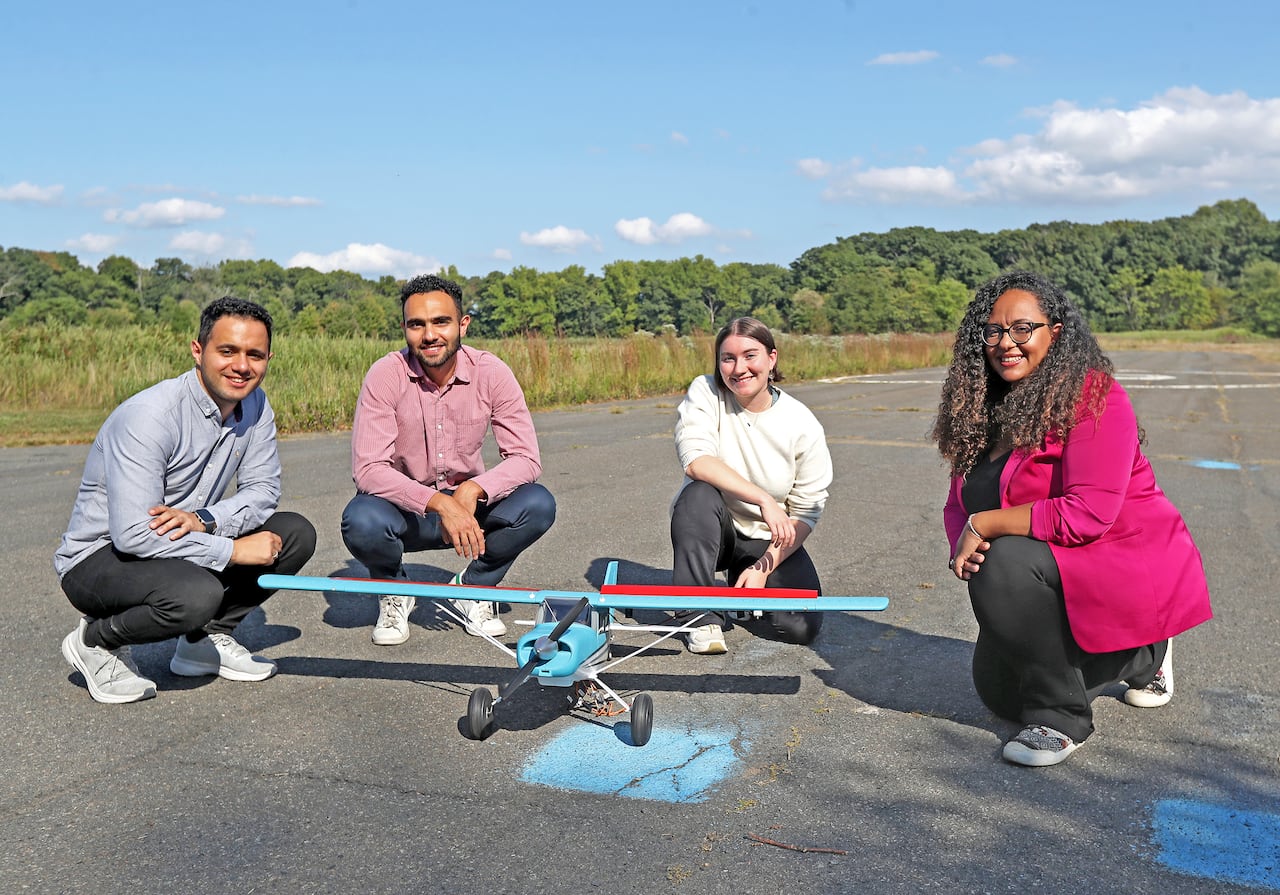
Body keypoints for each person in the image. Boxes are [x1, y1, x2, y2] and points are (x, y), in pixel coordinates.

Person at [932, 270, 1212, 767]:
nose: (1006, 342)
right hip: (1048, 563)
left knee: (1006, 561)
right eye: (993, 331)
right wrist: (965, 544)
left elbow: (1088, 514)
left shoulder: (1094, 396)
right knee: (999, 695)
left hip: (1117, 558)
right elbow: (961, 502)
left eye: (1023, 328)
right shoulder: (979, 406)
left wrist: (986, 528)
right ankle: (1127, 658)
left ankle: (1068, 714)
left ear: (1054, 333)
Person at [54, 297, 317, 704]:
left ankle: (202, 642)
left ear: (269, 358)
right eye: (227, 351)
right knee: (196, 595)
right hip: (99, 558)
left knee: (294, 533)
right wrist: (233, 550)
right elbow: (134, 537)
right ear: (198, 350)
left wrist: (205, 520)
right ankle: (95, 641)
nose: (242, 366)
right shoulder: (149, 416)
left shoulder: (256, 405)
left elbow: (263, 491)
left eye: (255, 354)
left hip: (175, 543)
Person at [341, 273, 556, 645]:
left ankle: (474, 588)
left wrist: (473, 490)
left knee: (538, 504)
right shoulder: (385, 374)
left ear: (462, 325)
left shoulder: (492, 372)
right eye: (416, 325)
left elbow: (526, 458)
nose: (429, 335)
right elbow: (369, 469)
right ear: (405, 328)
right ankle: (395, 589)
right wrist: (438, 502)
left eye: (441, 322)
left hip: (470, 512)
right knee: (360, 519)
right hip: (408, 512)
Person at [670, 317, 833, 654]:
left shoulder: (802, 423)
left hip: (767, 539)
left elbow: (806, 511)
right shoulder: (706, 391)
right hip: (715, 530)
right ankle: (699, 616)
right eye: (728, 358)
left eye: (750, 356)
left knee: (801, 627)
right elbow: (696, 460)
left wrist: (764, 567)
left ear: (772, 359)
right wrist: (763, 499)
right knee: (697, 495)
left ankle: (741, 579)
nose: (738, 368)